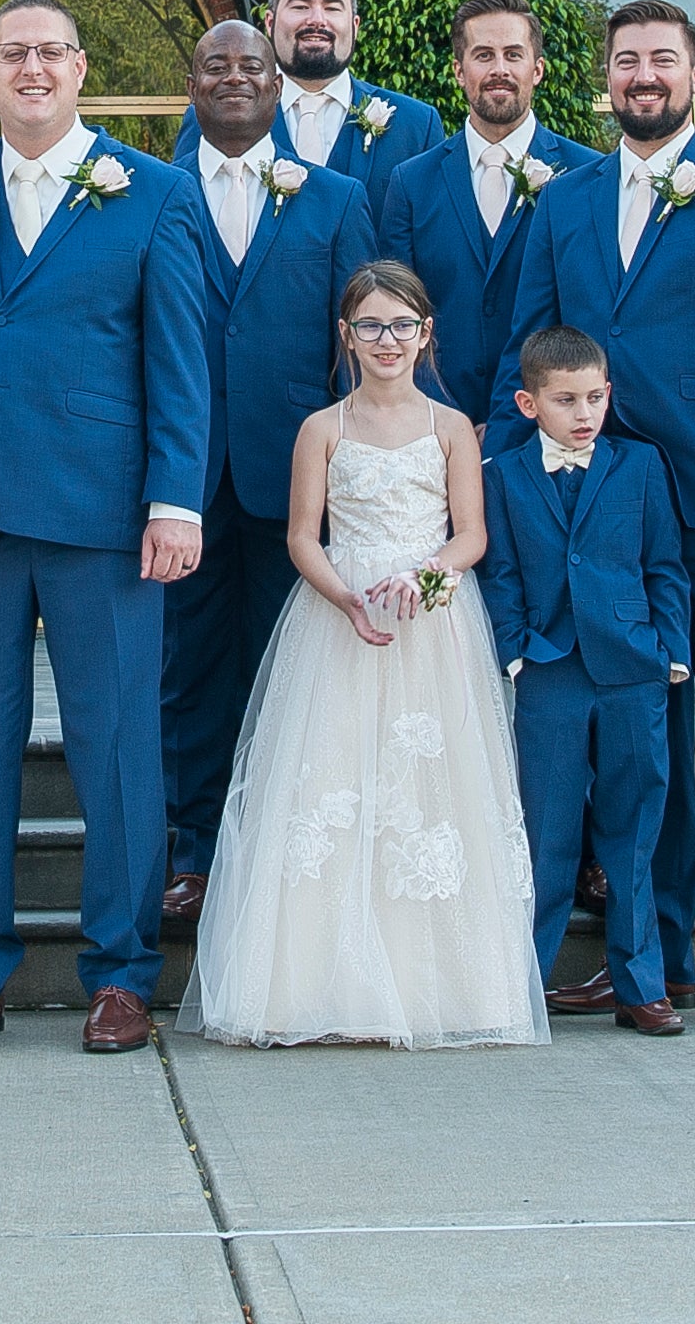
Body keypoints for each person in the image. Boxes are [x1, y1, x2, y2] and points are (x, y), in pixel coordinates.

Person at [492, 0, 695, 1035]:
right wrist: (502, 473)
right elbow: (531, 343)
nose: (643, 75)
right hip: (607, 527)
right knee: (646, 753)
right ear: (605, 78)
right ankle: (655, 956)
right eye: (627, 59)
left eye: (661, 60)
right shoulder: (566, 198)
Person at [0, 0, 219, 1054]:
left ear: (81, 67)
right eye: (11, 52)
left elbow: (182, 357)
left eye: (49, 50)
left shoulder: (156, 192)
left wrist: (175, 497)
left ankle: (122, 970)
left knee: (117, 742)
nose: (31, 67)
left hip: (104, 508)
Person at [192, 262, 542, 1050]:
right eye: (372, 326)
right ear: (346, 336)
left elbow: (470, 534)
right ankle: (315, 984)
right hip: (339, 618)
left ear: (427, 336)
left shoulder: (451, 427)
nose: (388, 341)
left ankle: (442, 987)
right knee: (332, 783)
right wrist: (344, 596)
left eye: (403, 326)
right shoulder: (323, 429)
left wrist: (432, 575)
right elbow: (298, 536)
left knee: (428, 791)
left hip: (431, 622)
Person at [158, 19, 374, 935]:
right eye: (217, 66)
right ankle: (188, 854)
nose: (236, 77)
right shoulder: (148, 193)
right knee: (186, 675)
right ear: (194, 85)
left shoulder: (335, 198)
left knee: (290, 675)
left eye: (253, 64)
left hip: (298, 483)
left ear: (278, 84)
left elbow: (364, 346)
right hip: (186, 479)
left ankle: (280, 853)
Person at [477, 325, 689, 1035]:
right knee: (546, 835)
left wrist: (669, 652)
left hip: (631, 670)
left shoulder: (640, 465)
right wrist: (513, 654)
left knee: (632, 835)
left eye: (595, 397)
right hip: (548, 671)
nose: (584, 413)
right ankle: (524, 986)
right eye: (565, 399)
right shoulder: (502, 475)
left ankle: (639, 985)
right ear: (528, 403)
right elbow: (499, 574)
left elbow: (663, 564)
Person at [376, 0, 603, 427]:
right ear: (459, 71)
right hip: (434, 425)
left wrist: (511, 423)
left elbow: (587, 313)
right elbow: (397, 315)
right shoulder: (411, 182)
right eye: (484, 55)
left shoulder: (586, 176)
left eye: (513, 54)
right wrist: (445, 422)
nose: (499, 69)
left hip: (549, 432)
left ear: (536, 70)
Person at [265, 0, 443, 217]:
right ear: (269, 22)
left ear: (355, 25)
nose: (317, 20)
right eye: (301, 7)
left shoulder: (416, 125)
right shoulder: (216, 121)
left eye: (332, 7)